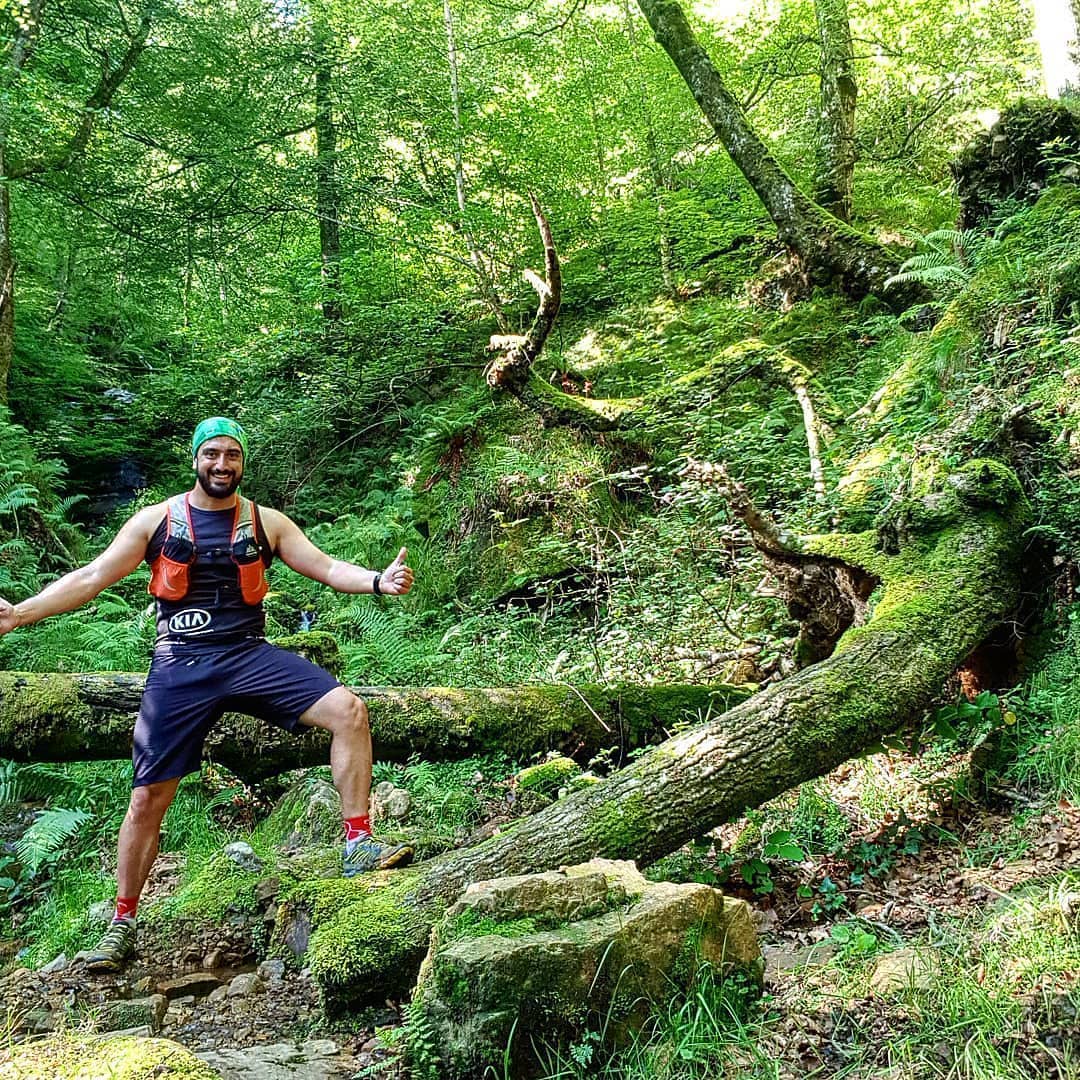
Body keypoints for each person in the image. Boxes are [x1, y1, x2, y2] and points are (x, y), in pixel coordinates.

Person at [0, 417, 415, 972]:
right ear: (195, 459)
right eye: (212, 455)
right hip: (180, 666)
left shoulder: (266, 522)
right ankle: (122, 922)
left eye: (232, 456)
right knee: (149, 797)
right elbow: (92, 575)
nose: (222, 465)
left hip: (248, 654)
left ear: (243, 463)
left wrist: (376, 581)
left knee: (349, 711)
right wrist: (20, 614)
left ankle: (358, 843)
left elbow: (325, 565)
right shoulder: (157, 521)